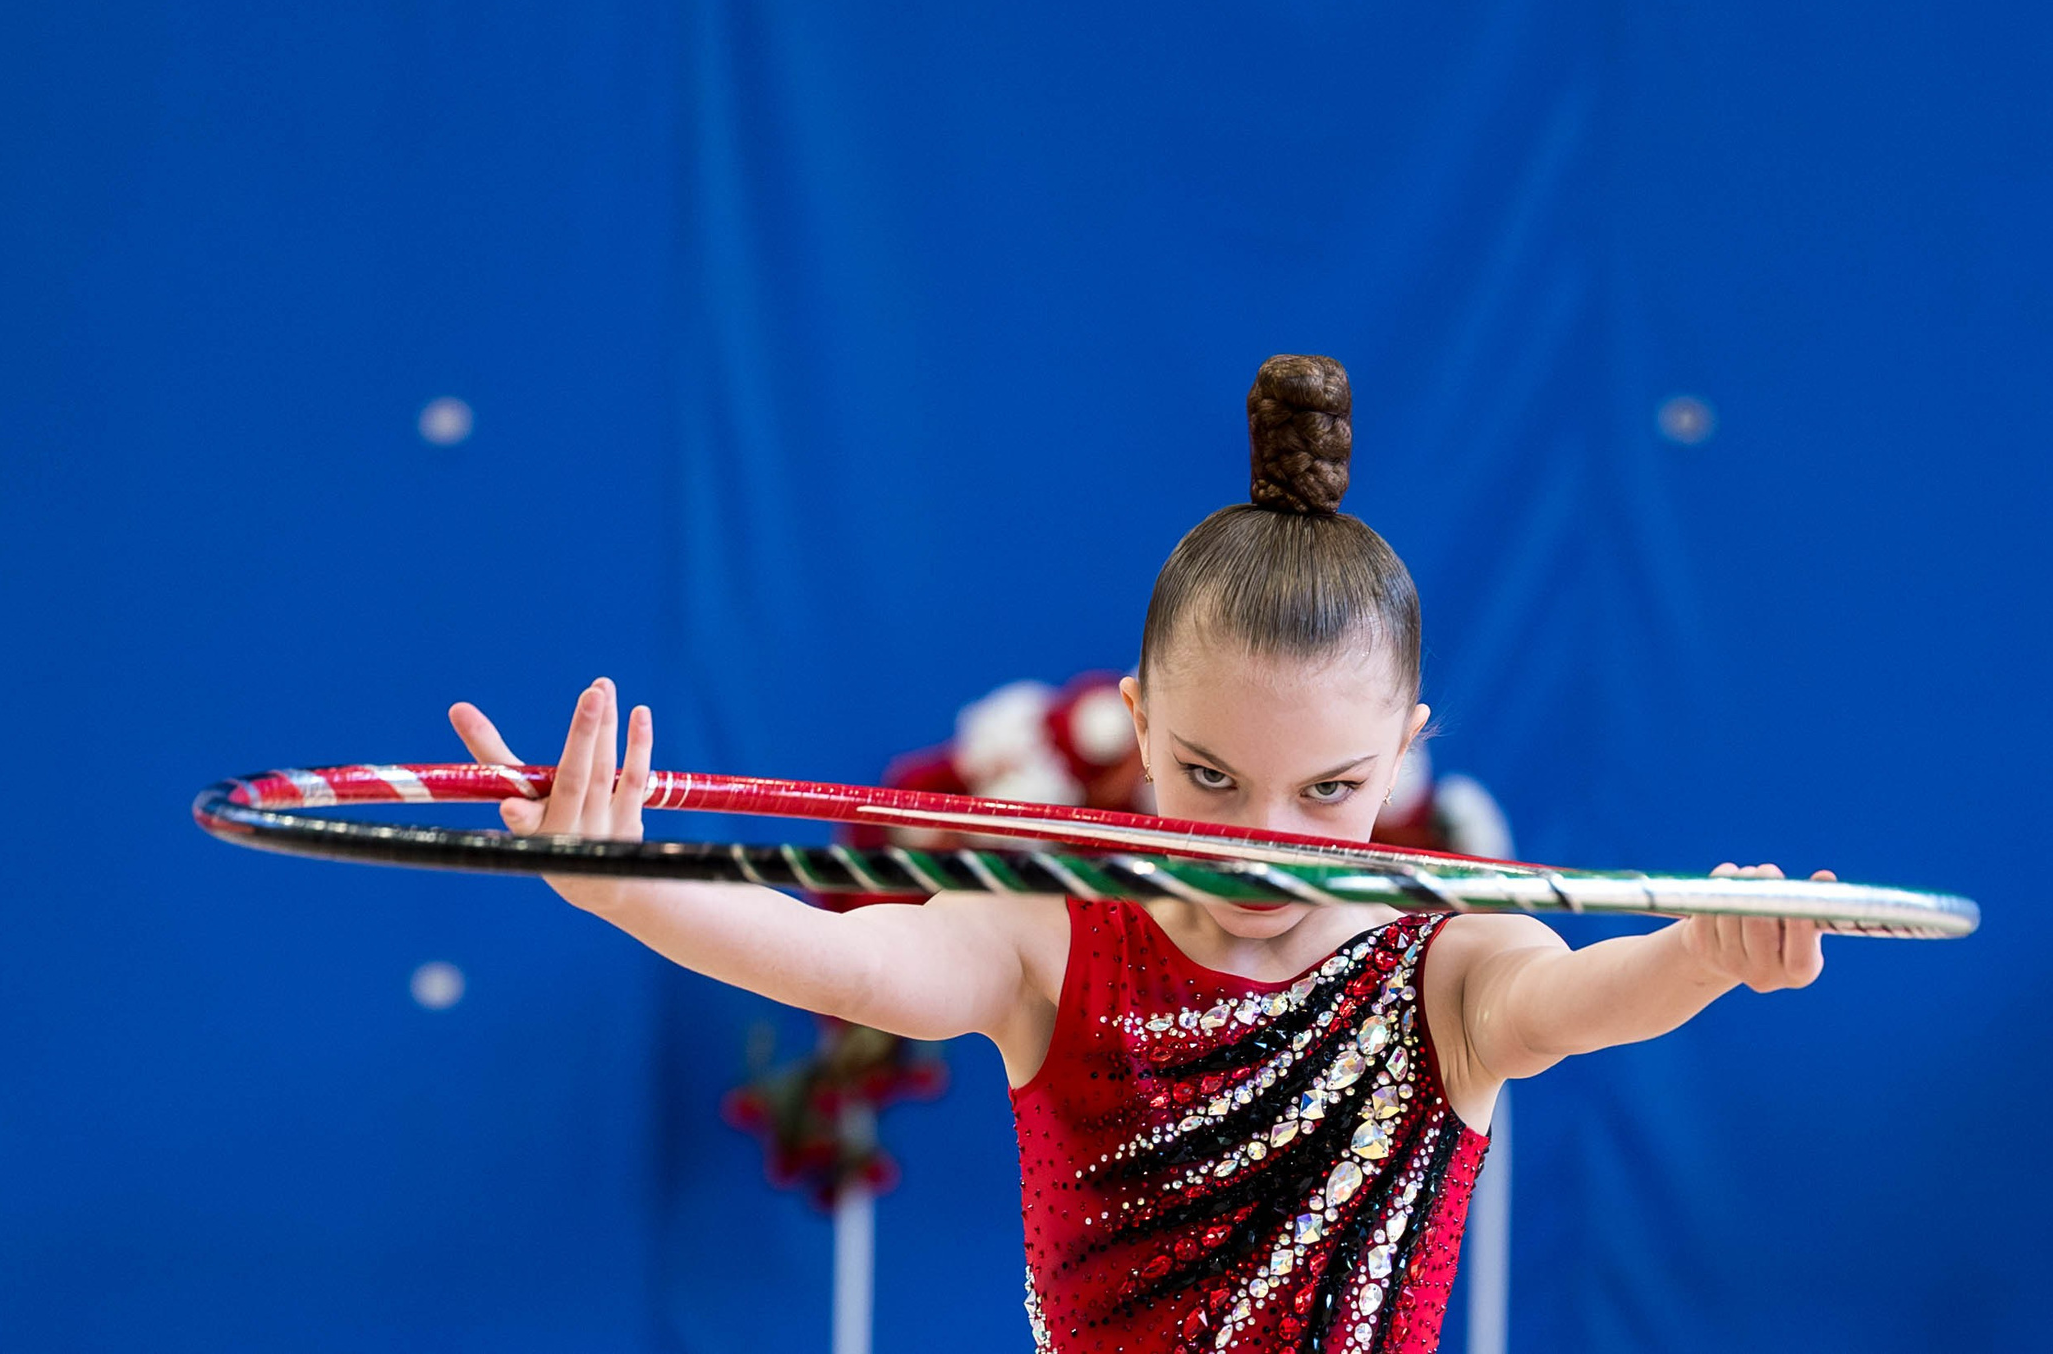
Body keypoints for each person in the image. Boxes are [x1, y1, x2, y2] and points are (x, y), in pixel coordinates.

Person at [446, 355, 1835, 1354]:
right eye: (1211, 778)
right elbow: (850, 961)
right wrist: (622, 881)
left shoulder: (1457, 966)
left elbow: (1582, 999)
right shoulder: (1048, 944)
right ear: (1140, 723)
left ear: (1406, 749)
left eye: (1331, 790)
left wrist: (1703, 954)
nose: (1266, 846)